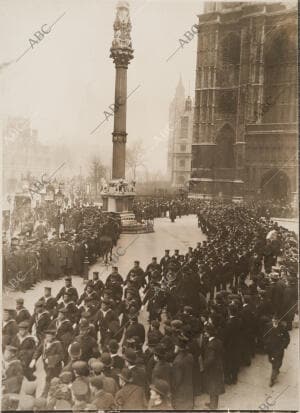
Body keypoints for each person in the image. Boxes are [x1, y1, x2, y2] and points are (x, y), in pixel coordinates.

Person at [31, 328, 64, 397]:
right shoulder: (44, 342)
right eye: (46, 336)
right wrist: (34, 359)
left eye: (49, 336)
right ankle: (53, 393)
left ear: (53, 336)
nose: (47, 338)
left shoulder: (57, 344)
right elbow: (38, 351)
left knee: (50, 379)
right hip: (46, 366)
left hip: (55, 366)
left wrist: (50, 359)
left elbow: (61, 356)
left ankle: (45, 395)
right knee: (51, 379)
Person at [264, 315, 290, 386]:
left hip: (279, 349)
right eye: (274, 320)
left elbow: (287, 338)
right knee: (272, 362)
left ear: (279, 321)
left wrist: (284, 346)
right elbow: (265, 336)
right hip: (270, 349)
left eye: (276, 320)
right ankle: (276, 370)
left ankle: (272, 379)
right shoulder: (268, 326)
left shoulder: (282, 328)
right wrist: (266, 344)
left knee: (277, 363)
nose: (275, 322)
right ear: (272, 320)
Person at [202, 324, 225, 409]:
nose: (204, 333)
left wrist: (204, 365)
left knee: (213, 387)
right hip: (218, 367)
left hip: (212, 369)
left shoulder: (211, 345)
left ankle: (213, 406)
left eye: (205, 332)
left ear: (208, 333)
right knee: (215, 387)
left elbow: (210, 359)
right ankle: (213, 403)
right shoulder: (218, 341)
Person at [171, 333, 194, 410]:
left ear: (177, 347)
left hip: (181, 394)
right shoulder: (190, 356)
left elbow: (177, 380)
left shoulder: (177, 361)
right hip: (189, 390)